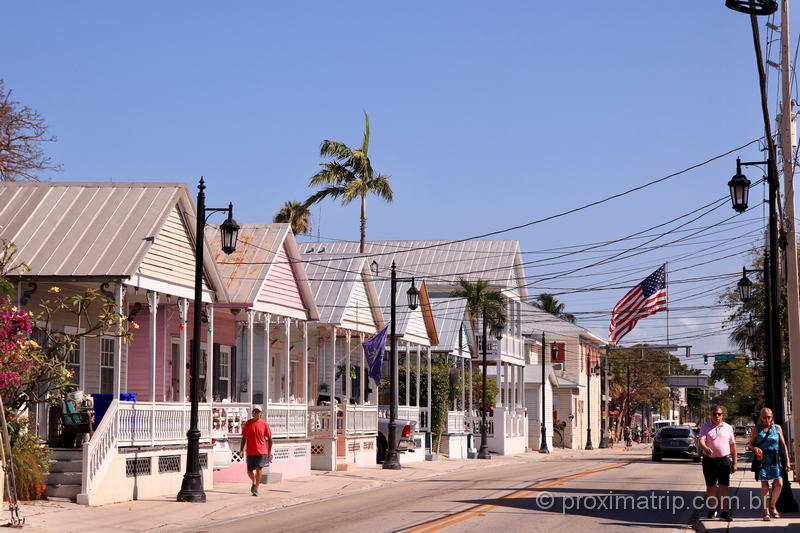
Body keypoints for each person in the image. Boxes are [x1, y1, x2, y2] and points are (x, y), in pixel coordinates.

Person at [747, 407, 791, 521]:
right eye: (764, 417)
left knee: (779, 484)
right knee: (765, 486)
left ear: (772, 417)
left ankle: (772, 505)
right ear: (761, 417)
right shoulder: (757, 429)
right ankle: (766, 512)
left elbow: (783, 445)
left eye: (769, 417)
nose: (767, 419)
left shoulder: (777, 428)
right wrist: (755, 448)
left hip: (775, 458)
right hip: (762, 459)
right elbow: (750, 444)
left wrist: (787, 460)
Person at [698, 405, 737, 522]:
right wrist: (705, 448)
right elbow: (701, 440)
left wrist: (735, 462)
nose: (716, 416)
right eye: (714, 414)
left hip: (724, 460)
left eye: (719, 414)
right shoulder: (705, 427)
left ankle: (725, 511)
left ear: (722, 415)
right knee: (711, 487)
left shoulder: (728, 428)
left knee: (724, 486)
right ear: (711, 414)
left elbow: (732, 445)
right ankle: (712, 508)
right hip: (709, 461)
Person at [239, 406, 272, 496]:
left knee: (258, 469)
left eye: (257, 412)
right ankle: (253, 482)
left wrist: (269, 452)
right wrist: (241, 450)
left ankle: (257, 488)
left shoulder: (264, 424)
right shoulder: (248, 424)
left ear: (261, 414)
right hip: (250, 451)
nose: (255, 413)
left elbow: (269, 438)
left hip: (261, 451)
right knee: (249, 471)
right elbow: (244, 437)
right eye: (254, 411)